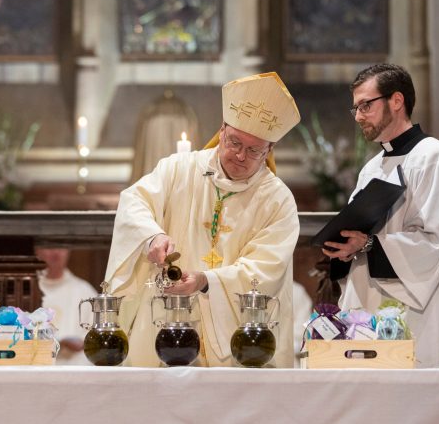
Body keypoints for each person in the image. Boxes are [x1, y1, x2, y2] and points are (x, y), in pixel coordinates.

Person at [105, 72, 301, 367]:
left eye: (253, 150)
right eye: (234, 142)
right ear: (222, 131)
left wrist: (206, 281)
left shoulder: (277, 200)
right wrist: (152, 237)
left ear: (269, 150)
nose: (240, 156)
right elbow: (134, 202)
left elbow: (266, 268)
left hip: (236, 342)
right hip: (166, 320)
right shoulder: (178, 169)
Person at [321, 63, 439, 368]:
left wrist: (368, 245)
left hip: (418, 317)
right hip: (372, 313)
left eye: (366, 105)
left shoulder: (433, 157)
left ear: (397, 101)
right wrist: (344, 249)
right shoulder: (372, 168)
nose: (359, 116)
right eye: (356, 108)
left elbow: (435, 243)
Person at [35, 247, 99, 365]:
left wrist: (82, 342)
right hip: (35, 366)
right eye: (50, 247)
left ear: (69, 251)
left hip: (76, 368)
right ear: (37, 250)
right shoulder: (26, 289)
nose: (56, 252)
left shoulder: (84, 291)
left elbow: (97, 337)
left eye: (61, 247)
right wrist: (59, 343)